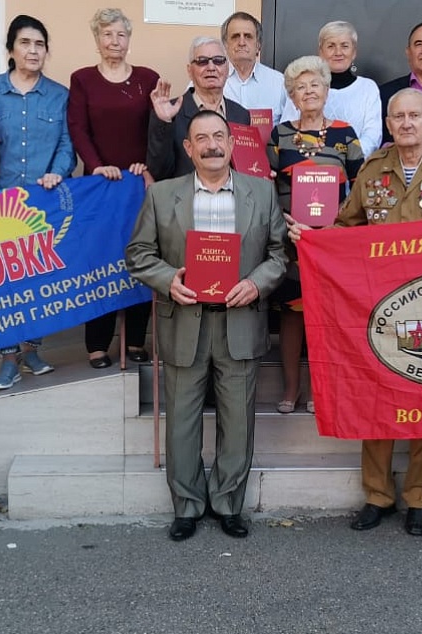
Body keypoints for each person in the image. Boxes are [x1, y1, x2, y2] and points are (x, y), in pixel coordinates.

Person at [290, 88, 422, 537]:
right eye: (399, 116)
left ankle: (420, 498)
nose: (407, 123)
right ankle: (377, 495)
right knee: (376, 399)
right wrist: (313, 241)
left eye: (415, 114)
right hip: (379, 307)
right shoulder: (372, 169)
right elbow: (346, 226)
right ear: (390, 123)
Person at [126, 110, 287, 541]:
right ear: (188, 147)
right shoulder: (162, 195)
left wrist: (256, 284)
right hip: (183, 320)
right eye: (203, 138)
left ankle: (229, 504)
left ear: (232, 145)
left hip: (240, 321)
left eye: (220, 136)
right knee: (182, 419)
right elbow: (138, 254)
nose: (213, 144)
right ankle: (187, 505)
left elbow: (279, 256)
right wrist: (167, 281)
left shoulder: (262, 192)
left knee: (238, 422)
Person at [0, 15, 74, 390]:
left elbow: (67, 144)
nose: (33, 51)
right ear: (11, 49)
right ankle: (7, 360)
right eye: (25, 43)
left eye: (39, 44)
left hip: (41, 203)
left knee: (36, 280)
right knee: (3, 282)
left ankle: (32, 350)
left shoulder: (59, 94)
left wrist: (58, 172)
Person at [267, 55, 364, 415]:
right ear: (292, 96)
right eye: (300, 87)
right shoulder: (280, 134)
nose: (308, 91)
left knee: (324, 317)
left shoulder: (345, 133)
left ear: (326, 89)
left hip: (331, 243)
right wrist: (285, 223)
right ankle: (291, 390)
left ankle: (320, 390)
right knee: (292, 316)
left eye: (315, 84)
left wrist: (341, 225)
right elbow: (267, 186)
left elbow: (360, 186)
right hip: (292, 239)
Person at [69, 8, 157, 369]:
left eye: (121, 35)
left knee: (140, 258)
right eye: (107, 35)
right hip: (99, 185)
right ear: (96, 39)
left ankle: (136, 340)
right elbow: (78, 128)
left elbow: (160, 128)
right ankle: (97, 344)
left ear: (129, 39)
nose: (114, 42)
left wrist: (147, 162)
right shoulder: (83, 79)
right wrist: (95, 165)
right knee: (101, 261)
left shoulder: (148, 79)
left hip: (138, 185)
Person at [147, 36, 251, 181]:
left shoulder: (241, 114)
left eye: (218, 61)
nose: (211, 67)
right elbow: (159, 172)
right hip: (187, 200)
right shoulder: (169, 113)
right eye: (202, 61)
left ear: (227, 69)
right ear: (190, 71)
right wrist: (164, 122)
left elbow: (245, 169)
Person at [288, 21, 382, 151]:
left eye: (345, 46)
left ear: (354, 52)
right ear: (320, 52)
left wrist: (343, 158)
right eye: (331, 46)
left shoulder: (368, 88)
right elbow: (288, 129)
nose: (338, 52)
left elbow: (372, 137)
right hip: (308, 164)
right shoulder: (303, 87)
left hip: (356, 166)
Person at [221, 11, 290, 125]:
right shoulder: (209, 79)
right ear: (226, 45)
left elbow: (290, 128)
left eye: (248, 36)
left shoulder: (280, 83)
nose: (241, 42)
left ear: (258, 45)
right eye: (235, 36)